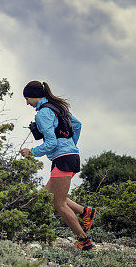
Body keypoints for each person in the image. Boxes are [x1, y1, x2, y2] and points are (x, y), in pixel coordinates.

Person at [19, 81, 97, 251]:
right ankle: (85, 212)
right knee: (47, 196)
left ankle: (84, 240)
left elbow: (52, 143)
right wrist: (70, 145)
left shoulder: (43, 113)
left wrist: (30, 151)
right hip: (71, 156)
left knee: (58, 203)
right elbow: (77, 125)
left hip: (62, 158)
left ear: (33, 96)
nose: (26, 103)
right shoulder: (57, 108)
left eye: (27, 98)